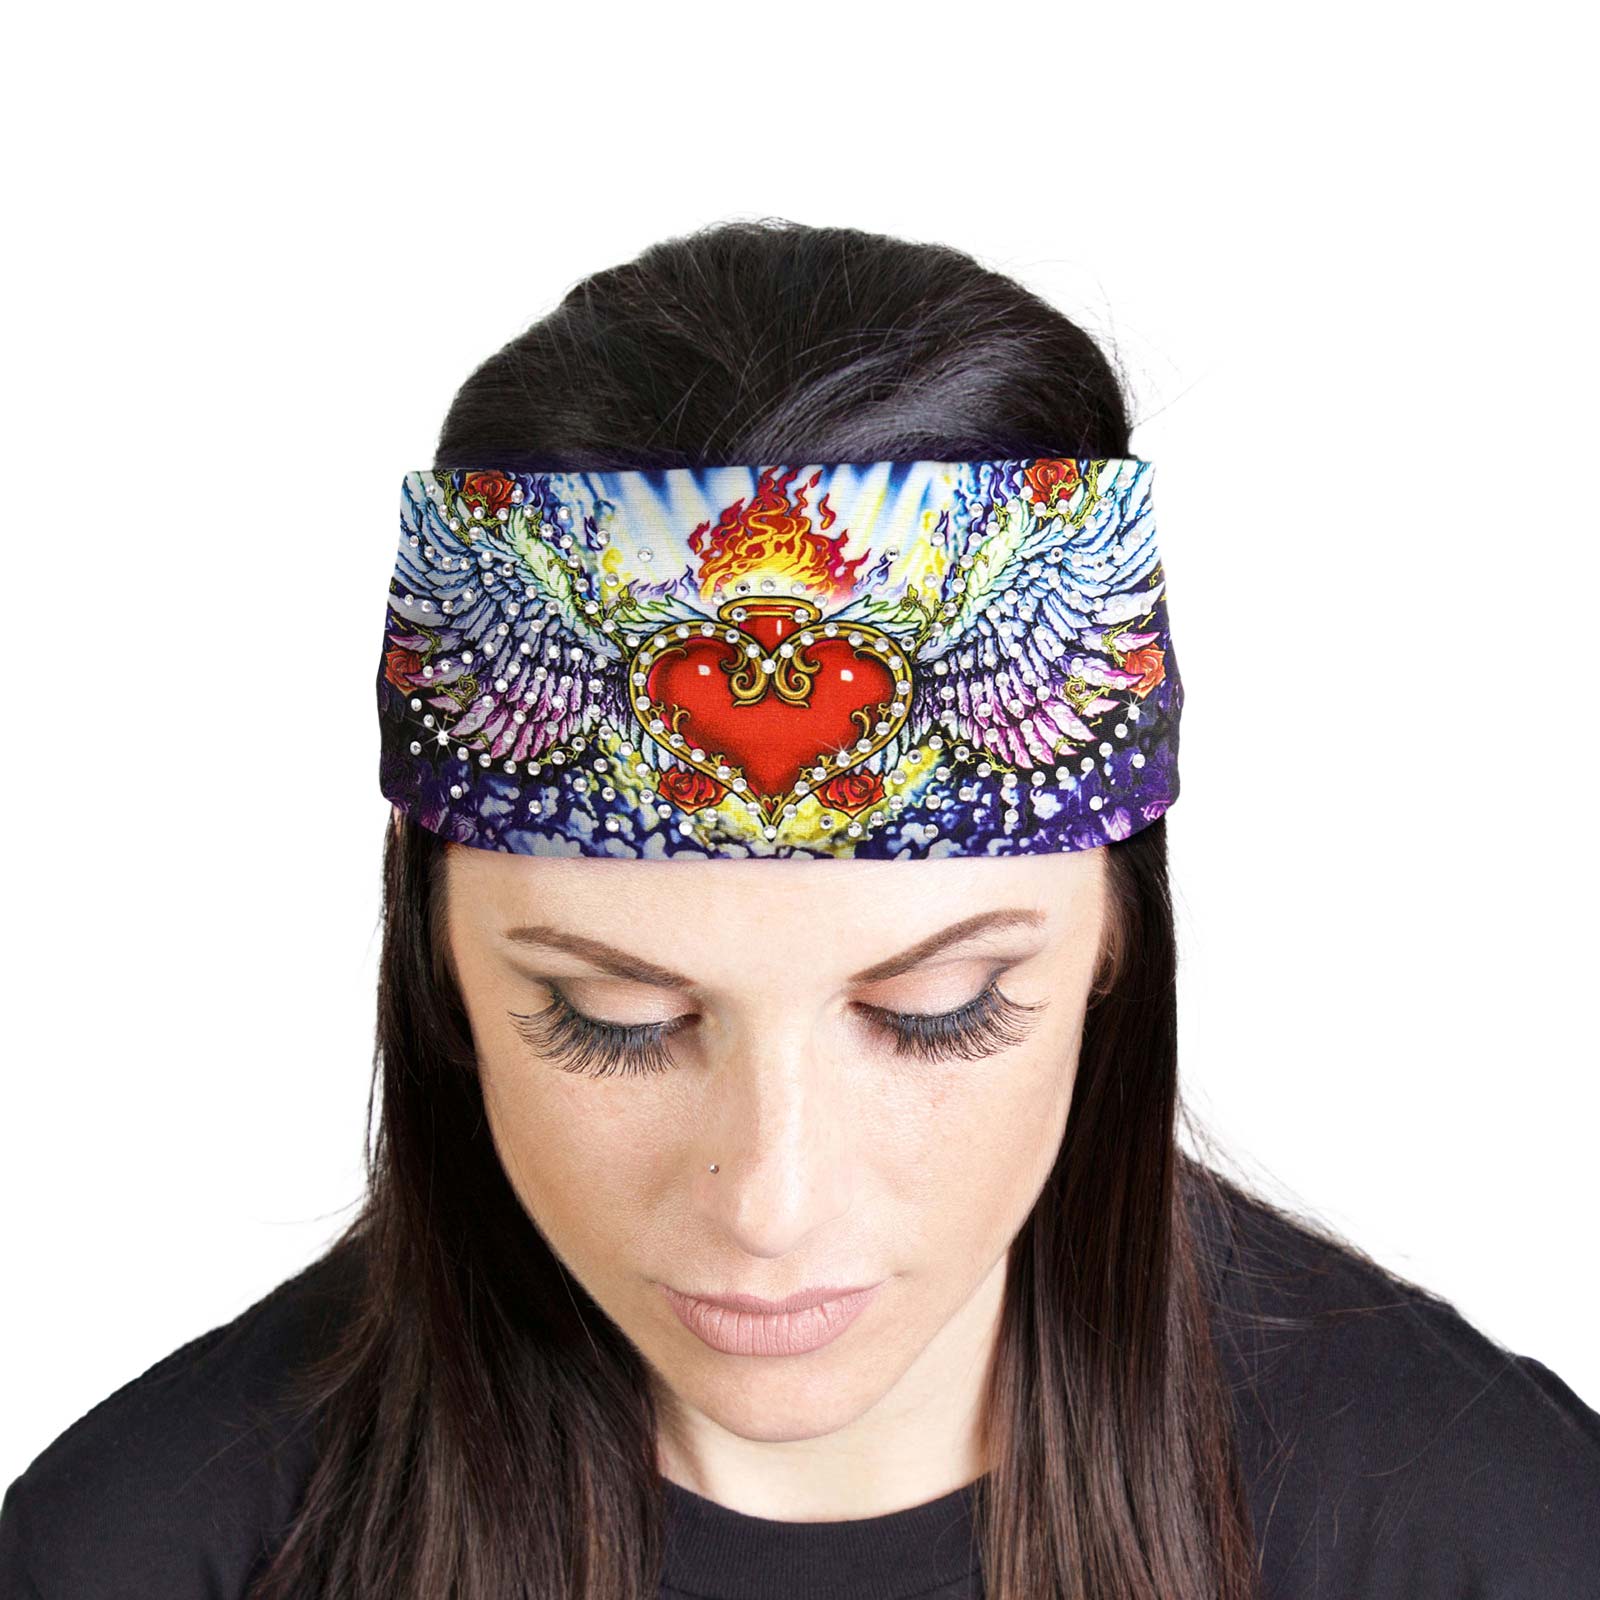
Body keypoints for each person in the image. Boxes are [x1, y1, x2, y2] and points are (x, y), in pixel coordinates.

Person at [3, 220, 1596, 1600]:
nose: (770, 1201)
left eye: (938, 1013)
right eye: (613, 1019)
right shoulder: (140, 1553)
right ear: (441, 968)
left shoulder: (1494, 1537)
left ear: (1117, 939)